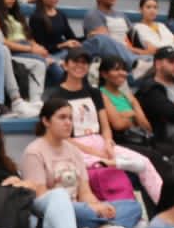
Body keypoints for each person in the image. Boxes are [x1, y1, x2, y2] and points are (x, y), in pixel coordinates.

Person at [49, 51, 166, 208]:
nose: (80, 66)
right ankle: (117, 171)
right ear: (65, 65)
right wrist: (94, 152)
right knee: (100, 164)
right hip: (74, 146)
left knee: (144, 162)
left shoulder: (94, 93)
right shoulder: (56, 96)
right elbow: (61, 136)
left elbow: (105, 126)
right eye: (75, 61)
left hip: (100, 141)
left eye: (84, 62)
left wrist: (108, 143)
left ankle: (165, 205)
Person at [23, 96, 143, 228]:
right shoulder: (34, 152)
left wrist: (98, 206)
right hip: (58, 212)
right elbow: (41, 197)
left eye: (70, 118)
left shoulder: (74, 151)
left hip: (83, 210)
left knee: (132, 206)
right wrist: (92, 209)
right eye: (62, 117)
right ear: (46, 121)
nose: (68, 123)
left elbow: (85, 192)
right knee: (78, 210)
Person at [0, 0, 48, 112]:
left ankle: (37, 101)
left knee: (49, 61)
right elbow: (2, 42)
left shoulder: (18, 16)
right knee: (39, 63)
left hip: (26, 48)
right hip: (11, 52)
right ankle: (29, 100)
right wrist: (31, 49)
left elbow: (29, 38)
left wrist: (39, 49)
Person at [80, 0, 143, 70]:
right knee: (103, 39)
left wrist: (145, 50)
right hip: (111, 59)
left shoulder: (122, 15)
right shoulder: (93, 15)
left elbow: (135, 41)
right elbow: (106, 44)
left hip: (129, 54)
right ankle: (136, 64)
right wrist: (132, 50)